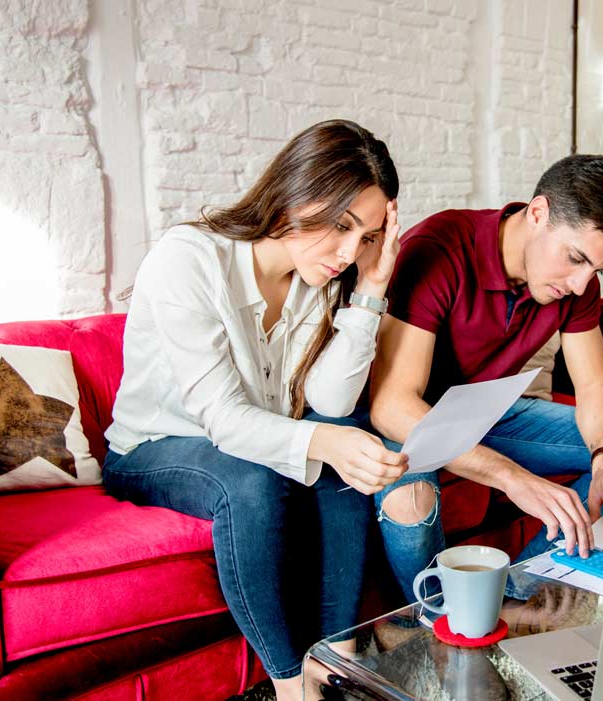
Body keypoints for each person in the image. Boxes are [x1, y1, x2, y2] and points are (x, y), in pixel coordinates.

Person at [102, 120, 408, 701]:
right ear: (295, 194)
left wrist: (372, 287)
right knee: (251, 480)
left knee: (344, 429)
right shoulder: (188, 259)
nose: (349, 252)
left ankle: (339, 658)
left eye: (366, 236)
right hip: (150, 452)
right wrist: (323, 444)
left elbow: (330, 403)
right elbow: (222, 419)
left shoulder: (313, 280)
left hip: (250, 444)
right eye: (342, 226)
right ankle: (290, 683)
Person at [367, 154, 603, 602]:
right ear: (539, 213)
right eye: (576, 259)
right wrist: (512, 478)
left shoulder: (577, 286)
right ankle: (430, 619)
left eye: (596, 271)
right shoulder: (440, 247)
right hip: (413, 421)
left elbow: (595, 388)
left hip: (485, 412)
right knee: (409, 501)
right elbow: (391, 408)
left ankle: (509, 596)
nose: (582, 285)